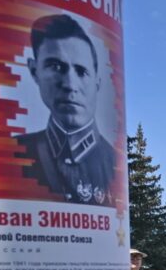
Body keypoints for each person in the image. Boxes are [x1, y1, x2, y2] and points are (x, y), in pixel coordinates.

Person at [15, 14, 117, 205]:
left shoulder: (115, 164)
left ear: (97, 82)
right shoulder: (12, 153)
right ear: (34, 70)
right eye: (56, 67)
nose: (70, 84)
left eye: (81, 71)